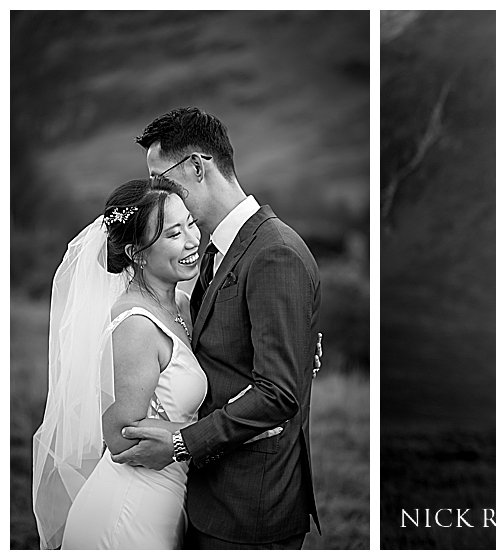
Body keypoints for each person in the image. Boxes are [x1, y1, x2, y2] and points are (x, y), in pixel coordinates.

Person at [111, 107, 322, 549]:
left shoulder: (272, 253)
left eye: (160, 180)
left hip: (249, 509)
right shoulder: (218, 252)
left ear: (195, 167)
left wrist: (184, 443)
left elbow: (278, 392)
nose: (155, 194)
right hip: (207, 498)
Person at [32, 178, 205, 549]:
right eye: (174, 234)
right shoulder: (136, 324)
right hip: (129, 513)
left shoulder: (183, 305)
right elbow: (120, 436)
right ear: (138, 254)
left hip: (169, 501)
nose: (193, 241)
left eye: (191, 223)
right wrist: (223, 432)